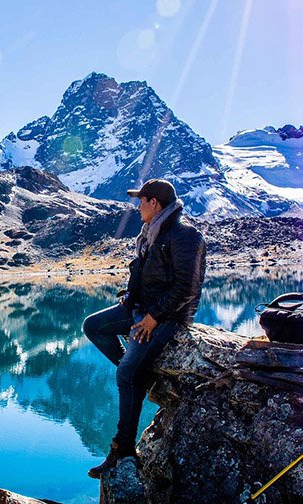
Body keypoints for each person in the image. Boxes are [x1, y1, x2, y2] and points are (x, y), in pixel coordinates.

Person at [82, 178, 207, 478]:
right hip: (140, 309)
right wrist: (130, 297)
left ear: (155, 203)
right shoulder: (151, 233)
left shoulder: (185, 235)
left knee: (125, 374)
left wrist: (152, 317)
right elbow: (145, 276)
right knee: (93, 326)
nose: (137, 206)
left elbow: (186, 288)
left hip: (167, 317)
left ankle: (122, 450)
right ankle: (141, 371)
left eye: (142, 200)